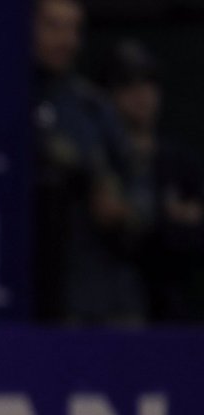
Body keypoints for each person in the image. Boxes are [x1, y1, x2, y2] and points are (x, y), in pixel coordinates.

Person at [31, 0, 146, 325]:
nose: (66, 40)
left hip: (97, 290)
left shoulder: (92, 107)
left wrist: (123, 210)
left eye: (73, 29)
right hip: (28, 290)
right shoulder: (3, 98)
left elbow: (138, 184)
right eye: (53, 26)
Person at [103, 40, 204, 322]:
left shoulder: (180, 162)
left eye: (148, 84)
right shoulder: (101, 160)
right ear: (110, 94)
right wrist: (168, 218)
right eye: (128, 85)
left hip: (171, 307)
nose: (141, 95)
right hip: (110, 306)